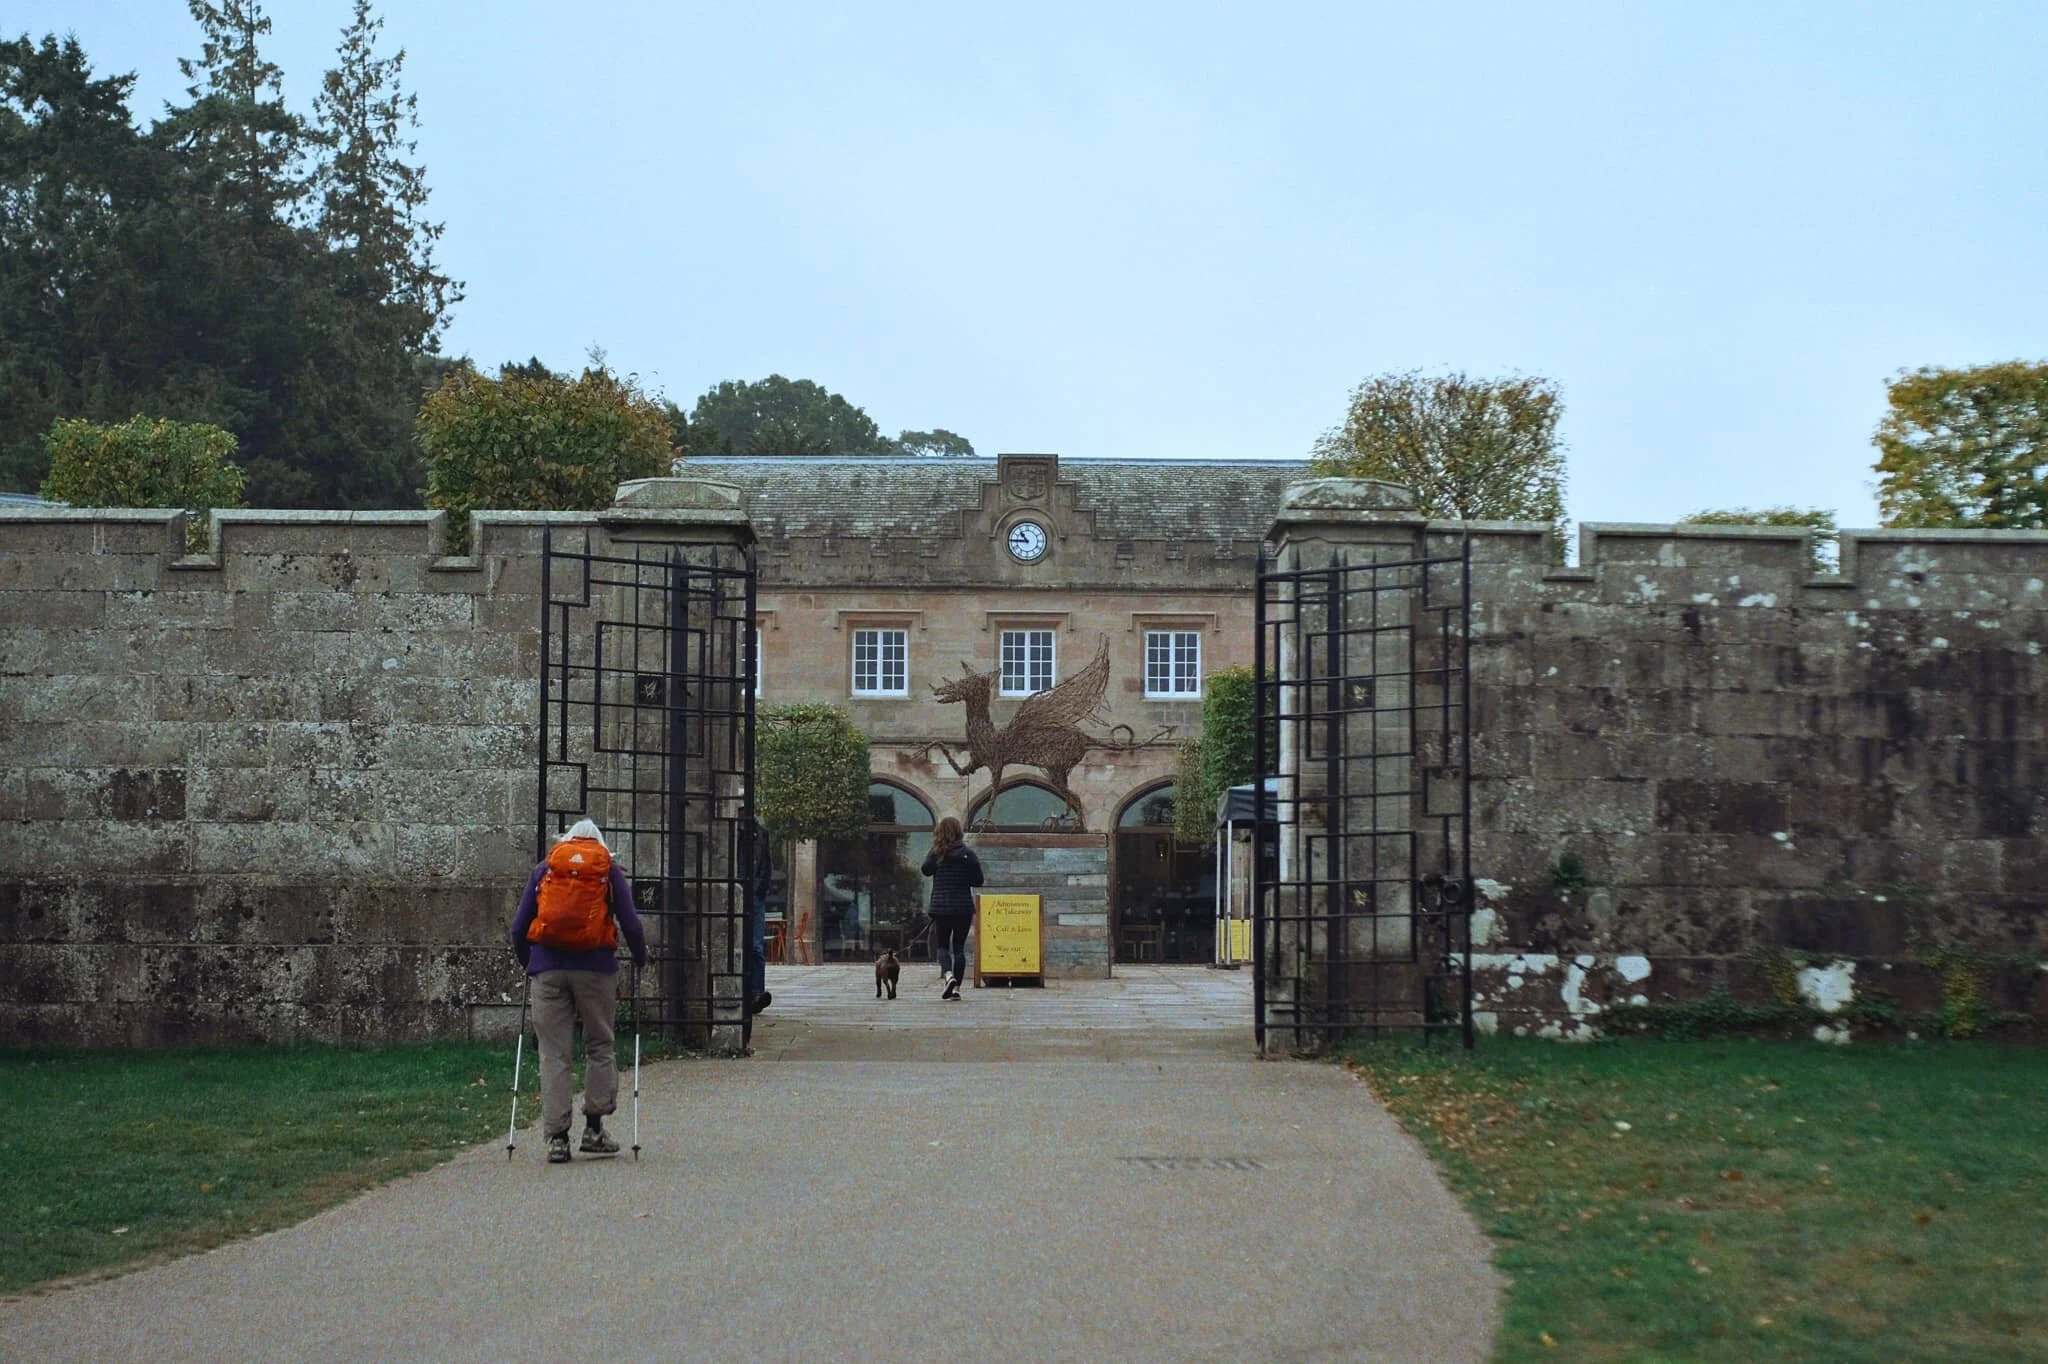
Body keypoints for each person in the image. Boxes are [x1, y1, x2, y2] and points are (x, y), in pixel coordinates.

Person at [509, 818, 648, 1164]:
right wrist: (642, 956)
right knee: (599, 1045)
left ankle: (557, 1139)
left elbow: (518, 928)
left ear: (566, 841)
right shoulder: (608, 870)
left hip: (548, 970)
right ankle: (594, 1129)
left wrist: (532, 962)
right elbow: (630, 922)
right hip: (595, 969)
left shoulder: (546, 870)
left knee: (554, 1053)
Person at [920, 816, 984, 1000]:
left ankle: (948, 976)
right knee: (958, 948)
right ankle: (956, 990)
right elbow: (978, 881)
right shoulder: (968, 855)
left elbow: (925, 870)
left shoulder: (936, 853)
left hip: (941, 907)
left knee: (942, 946)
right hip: (963, 907)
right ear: (959, 832)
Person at [746, 815, 773, 1017]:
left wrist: (758, 890)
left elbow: (766, 865)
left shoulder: (761, 833)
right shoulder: (733, 829)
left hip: (755, 895)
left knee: (756, 945)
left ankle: (756, 993)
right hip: (738, 890)